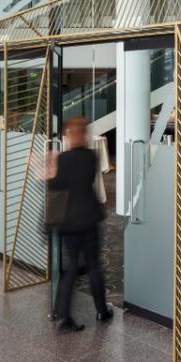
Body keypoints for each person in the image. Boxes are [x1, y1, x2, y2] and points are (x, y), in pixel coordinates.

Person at [47, 117, 113, 332]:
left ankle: (63, 316)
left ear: (67, 135)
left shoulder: (63, 159)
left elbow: (55, 186)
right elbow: (88, 180)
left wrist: (49, 168)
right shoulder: (90, 157)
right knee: (94, 265)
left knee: (72, 268)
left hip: (68, 221)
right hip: (89, 218)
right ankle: (102, 310)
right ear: (84, 134)